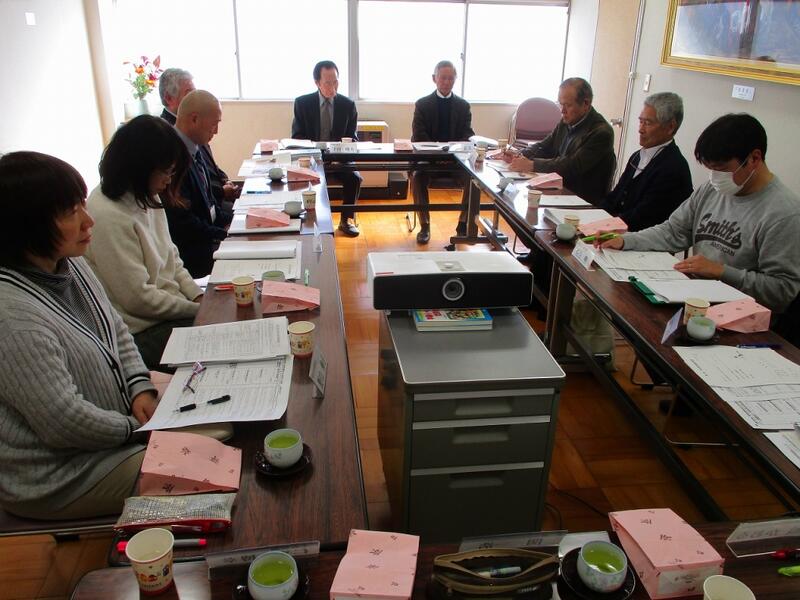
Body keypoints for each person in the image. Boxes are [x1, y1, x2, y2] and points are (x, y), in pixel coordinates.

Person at [0, 151, 157, 519]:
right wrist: (137, 428)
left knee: (219, 439)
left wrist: (140, 387)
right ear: (28, 226)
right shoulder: (13, 317)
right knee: (207, 476)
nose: (88, 221)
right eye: (71, 212)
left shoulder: (71, 264)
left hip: (111, 434)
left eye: (82, 205)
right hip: (64, 473)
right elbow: (63, 422)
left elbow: (116, 329)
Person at [600, 113, 800, 315]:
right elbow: (673, 231)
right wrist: (626, 240)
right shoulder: (711, 190)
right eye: (710, 169)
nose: (715, 177)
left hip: (739, 315)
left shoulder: (784, 214)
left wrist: (721, 271)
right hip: (693, 298)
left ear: (754, 158)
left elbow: (782, 290)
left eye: (721, 169)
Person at [84, 115, 202, 371]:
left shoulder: (147, 195)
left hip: (169, 312)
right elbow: (139, 299)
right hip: (142, 330)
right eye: (166, 172)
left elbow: (172, 258)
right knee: (225, 339)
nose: (169, 180)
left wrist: (198, 295)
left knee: (235, 318)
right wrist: (197, 310)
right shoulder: (107, 214)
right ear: (140, 167)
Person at [504, 77, 615, 204]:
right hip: (557, 190)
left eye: (568, 105)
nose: (562, 111)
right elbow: (544, 146)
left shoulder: (601, 133)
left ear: (586, 103)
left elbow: (572, 165)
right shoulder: (566, 121)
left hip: (581, 200)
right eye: (560, 104)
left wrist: (532, 165)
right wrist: (519, 154)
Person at [599, 92, 693, 232]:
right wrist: (595, 215)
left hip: (643, 236)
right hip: (619, 228)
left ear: (670, 127)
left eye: (648, 123)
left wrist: (604, 226)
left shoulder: (673, 168)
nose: (640, 130)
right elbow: (615, 196)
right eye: (640, 121)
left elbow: (643, 217)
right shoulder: (637, 156)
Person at [167, 89, 233, 278]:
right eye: (214, 124)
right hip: (192, 255)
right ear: (194, 119)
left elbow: (209, 202)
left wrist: (235, 222)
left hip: (207, 237)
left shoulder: (195, 146)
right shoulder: (172, 155)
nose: (216, 131)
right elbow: (183, 223)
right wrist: (225, 234)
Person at [292, 60, 361, 237]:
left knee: (354, 178)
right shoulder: (302, 103)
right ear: (317, 83)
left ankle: (346, 220)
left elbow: (352, 137)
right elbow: (297, 136)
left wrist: (342, 150)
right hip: (311, 160)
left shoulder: (347, 105)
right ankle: (308, 220)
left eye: (336, 82)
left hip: (338, 159)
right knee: (304, 180)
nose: (333, 87)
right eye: (328, 83)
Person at [410, 60, 475, 244]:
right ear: (434, 78)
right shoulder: (422, 104)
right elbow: (419, 135)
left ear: (455, 79)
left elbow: (467, 134)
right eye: (443, 78)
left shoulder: (463, 106)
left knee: (473, 178)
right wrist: (438, 154)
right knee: (418, 176)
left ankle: (463, 224)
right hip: (430, 161)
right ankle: (425, 225)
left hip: (455, 161)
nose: (447, 82)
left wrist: (453, 151)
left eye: (450, 78)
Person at [159, 67, 239, 203]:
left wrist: (225, 179)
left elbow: (209, 165)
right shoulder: (168, 135)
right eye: (189, 93)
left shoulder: (198, 126)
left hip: (214, 200)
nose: (194, 98)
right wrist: (221, 191)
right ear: (168, 98)